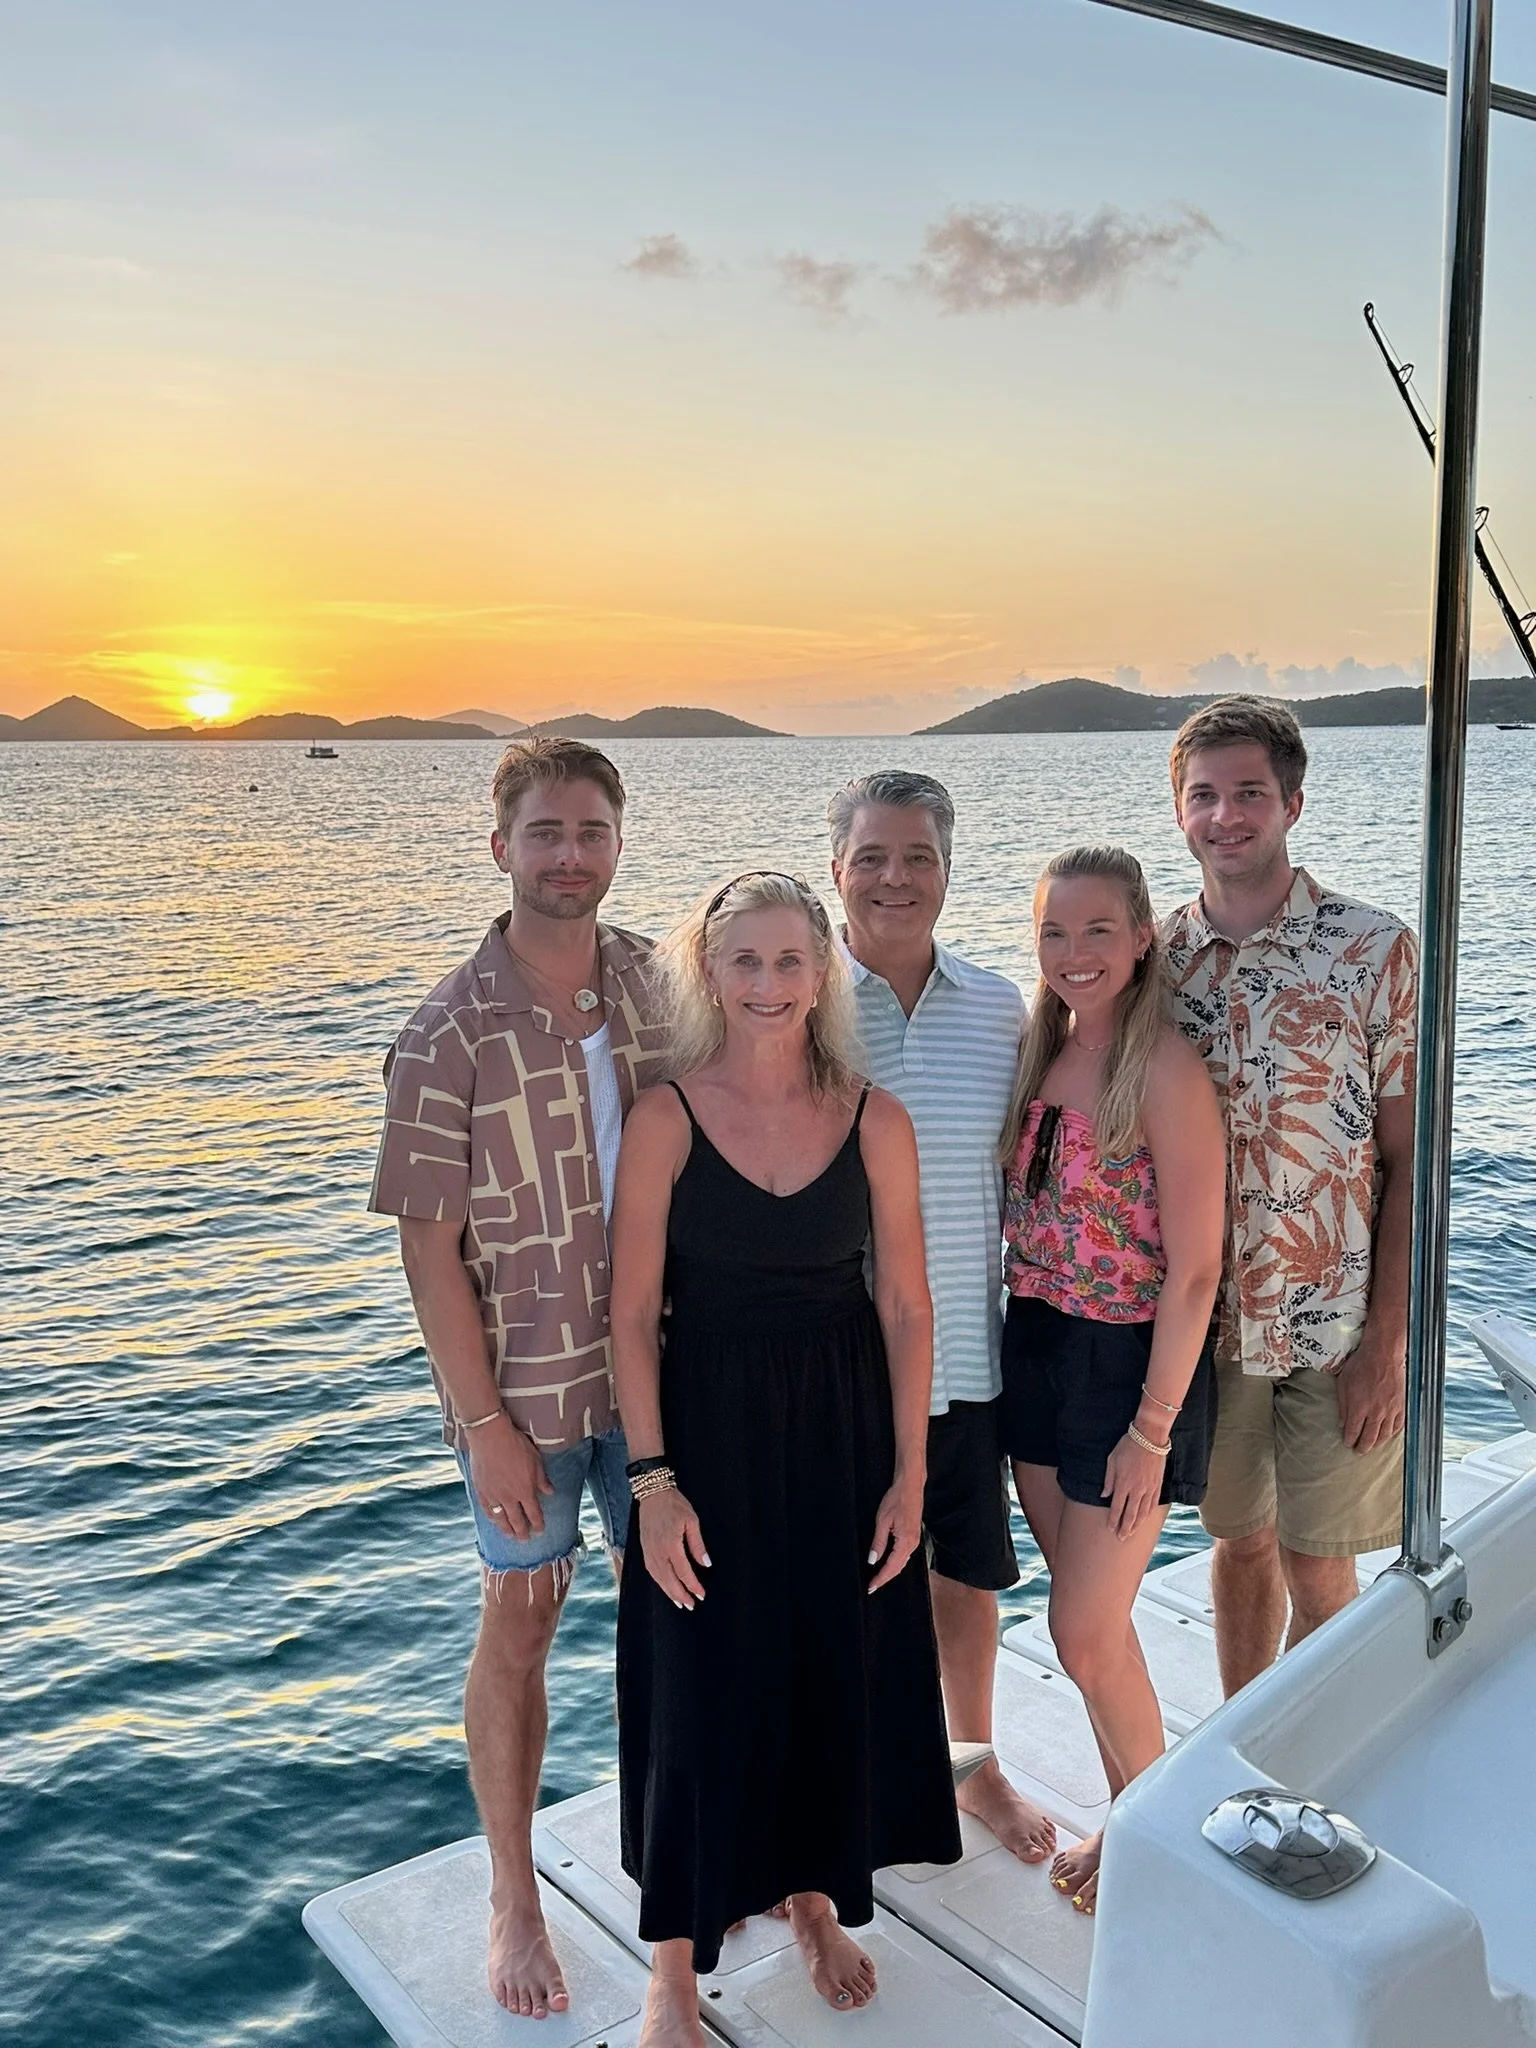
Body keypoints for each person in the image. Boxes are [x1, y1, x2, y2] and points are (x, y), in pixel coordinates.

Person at [611, 871, 961, 2048]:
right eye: (743, 960)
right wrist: (652, 1484)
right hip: (704, 1434)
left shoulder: (876, 1115)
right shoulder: (665, 1115)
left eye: (788, 961)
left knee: (825, 1668)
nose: (767, 984)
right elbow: (630, 1317)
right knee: (696, 1685)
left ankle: (812, 1898)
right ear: (709, 972)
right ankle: (672, 1967)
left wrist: (909, 1475)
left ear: (824, 975)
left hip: (843, 1430)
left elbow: (908, 1307)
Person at [369, 737, 665, 2022]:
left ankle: (702, 1862)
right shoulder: (446, 1031)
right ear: (500, 845)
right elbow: (426, 1250)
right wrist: (482, 1425)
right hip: (526, 1402)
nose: (569, 854)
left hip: (657, 1378)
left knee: (681, 1620)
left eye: (591, 830)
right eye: (545, 831)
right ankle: (514, 1889)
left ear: (616, 842)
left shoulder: (662, 983)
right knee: (524, 1625)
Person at [1163, 695, 1418, 1699]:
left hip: (1337, 1318)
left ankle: (1309, 1764)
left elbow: (1408, 1162)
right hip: (1211, 1323)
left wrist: (1387, 1343)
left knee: (1323, 1565)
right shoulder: (1154, 960)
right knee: (1240, 1544)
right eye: (1204, 795)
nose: (1226, 816)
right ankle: (1239, 1749)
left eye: (1250, 794)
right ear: (1178, 809)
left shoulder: (1373, 948)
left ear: (1293, 803)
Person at [827, 769, 1057, 1864]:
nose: (895, 877)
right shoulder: (796, 1004)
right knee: (833, 1589)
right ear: (837, 870)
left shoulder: (1000, 1006)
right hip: (832, 1368)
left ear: (948, 873)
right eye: (872, 855)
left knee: (967, 1576)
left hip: (969, 1350)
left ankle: (970, 1762)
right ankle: (838, 1777)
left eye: (918, 856)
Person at [1000, 845, 1225, 1917]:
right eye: (1055, 931)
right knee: (1091, 1619)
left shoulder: (1167, 1070)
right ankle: (1127, 1815)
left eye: (1099, 930)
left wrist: (1152, 1426)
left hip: (1128, 1364)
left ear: (1144, 936)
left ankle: (1152, 1840)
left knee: (1082, 1626)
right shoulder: (1041, 1052)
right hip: (1035, 1345)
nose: (1075, 952)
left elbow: (1197, 1271)